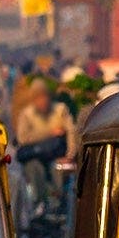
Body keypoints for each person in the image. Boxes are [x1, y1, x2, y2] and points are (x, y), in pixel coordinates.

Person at [14, 79, 77, 219]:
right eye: (38, 97)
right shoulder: (26, 114)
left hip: (57, 155)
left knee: (59, 169)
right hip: (34, 156)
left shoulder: (61, 110)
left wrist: (70, 155)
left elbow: (71, 131)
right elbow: (22, 138)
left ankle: (58, 204)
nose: (42, 101)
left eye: (44, 96)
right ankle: (39, 204)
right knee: (35, 169)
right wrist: (48, 133)